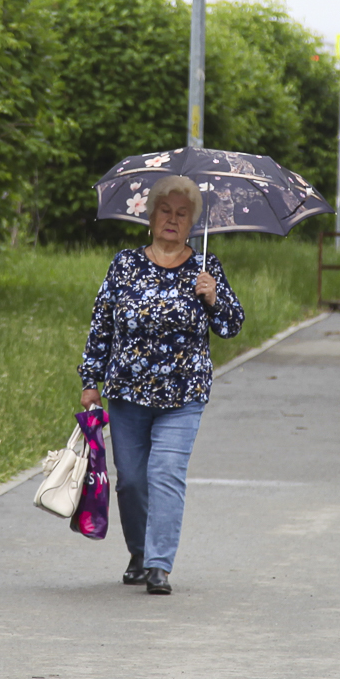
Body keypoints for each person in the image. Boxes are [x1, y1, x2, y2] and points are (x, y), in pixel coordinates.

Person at [78, 175, 243, 596]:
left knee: (166, 473)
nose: (172, 220)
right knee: (131, 480)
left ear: (192, 223)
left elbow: (231, 326)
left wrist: (214, 298)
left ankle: (159, 565)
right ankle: (138, 552)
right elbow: (102, 324)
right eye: (165, 212)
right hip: (128, 393)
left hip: (183, 393)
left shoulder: (206, 268)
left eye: (182, 214)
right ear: (150, 217)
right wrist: (90, 381)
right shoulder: (125, 264)